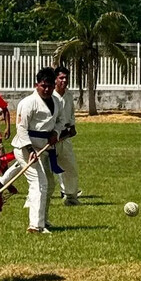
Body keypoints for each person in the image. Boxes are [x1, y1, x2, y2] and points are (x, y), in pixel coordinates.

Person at [9, 67, 64, 234]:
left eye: (49, 86)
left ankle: (43, 220)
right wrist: (29, 148)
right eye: (43, 86)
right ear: (36, 85)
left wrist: (56, 132)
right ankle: (35, 226)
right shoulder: (27, 103)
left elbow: (60, 121)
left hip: (45, 147)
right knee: (39, 183)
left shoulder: (56, 102)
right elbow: (21, 128)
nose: (46, 89)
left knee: (50, 183)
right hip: (25, 147)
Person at [53, 65, 81, 206]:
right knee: (43, 172)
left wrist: (72, 127)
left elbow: (70, 115)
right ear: (55, 79)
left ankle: (70, 196)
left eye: (66, 78)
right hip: (50, 139)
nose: (64, 80)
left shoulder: (68, 95)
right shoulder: (50, 96)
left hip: (64, 138)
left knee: (70, 168)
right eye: (61, 78)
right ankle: (31, 198)